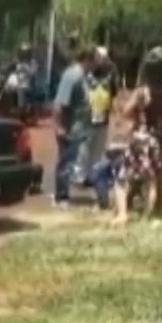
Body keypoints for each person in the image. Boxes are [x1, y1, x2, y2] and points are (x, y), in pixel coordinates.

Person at [119, 55, 162, 216]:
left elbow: (126, 111)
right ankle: (159, 209)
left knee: (126, 177)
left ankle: (123, 213)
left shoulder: (143, 92)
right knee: (159, 175)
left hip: (142, 136)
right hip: (159, 136)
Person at [50, 47, 99, 208]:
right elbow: (59, 105)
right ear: (87, 59)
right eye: (95, 59)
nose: (97, 63)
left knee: (72, 162)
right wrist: (59, 127)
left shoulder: (84, 76)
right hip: (69, 127)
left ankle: (65, 194)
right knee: (66, 161)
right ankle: (61, 197)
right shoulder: (72, 76)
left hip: (79, 127)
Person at [75, 46, 118, 186]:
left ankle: (83, 174)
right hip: (99, 113)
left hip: (90, 114)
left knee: (86, 145)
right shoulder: (110, 73)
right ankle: (90, 175)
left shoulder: (87, 74)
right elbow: (114, 92)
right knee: (94, 146)